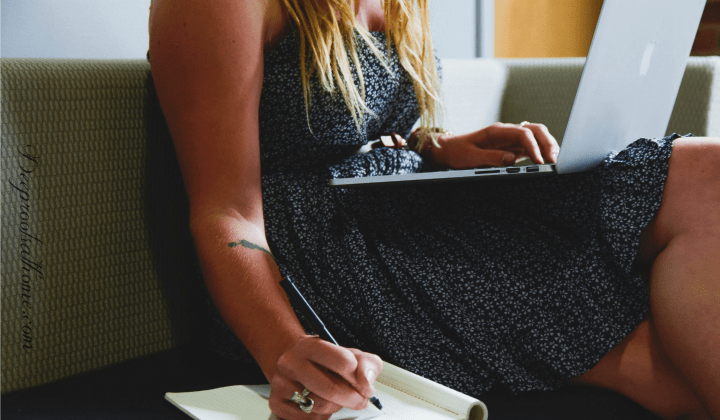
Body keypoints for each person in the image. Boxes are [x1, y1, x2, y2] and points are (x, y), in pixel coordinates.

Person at [147, 1, 720, 419]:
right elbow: (226, 211)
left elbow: (362, 128)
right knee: (700, 186)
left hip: (399, 211)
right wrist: (284, 350)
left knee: (697, 214)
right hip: (317, 258)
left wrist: (439, 147)